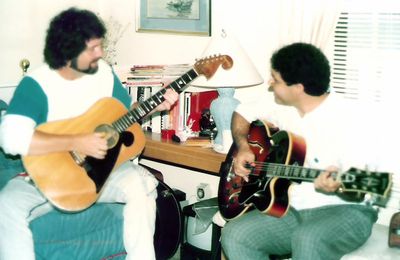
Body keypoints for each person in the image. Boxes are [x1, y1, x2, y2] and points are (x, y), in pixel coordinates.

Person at [0, 8, 179, 260]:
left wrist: (155, 105)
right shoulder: (37, 84)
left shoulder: (104, 74)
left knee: (144, 187)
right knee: (6, 206)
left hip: (103, 173)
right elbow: (10, 138)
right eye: (92, 48)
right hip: (53, 175)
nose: (100, 54)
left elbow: (123, 114)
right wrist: (75, 141)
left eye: (100, 46)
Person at [221, 42, 380, 259]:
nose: (270, 83)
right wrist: (243, 147)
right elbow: (241, 112)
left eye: (275, 80)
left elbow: (361, 186)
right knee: (235, 235)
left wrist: (338, 185)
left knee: (307, 239)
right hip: (293, 208)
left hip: (347, 210)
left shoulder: (350, 119)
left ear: (298, 88)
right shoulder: (280, 103)